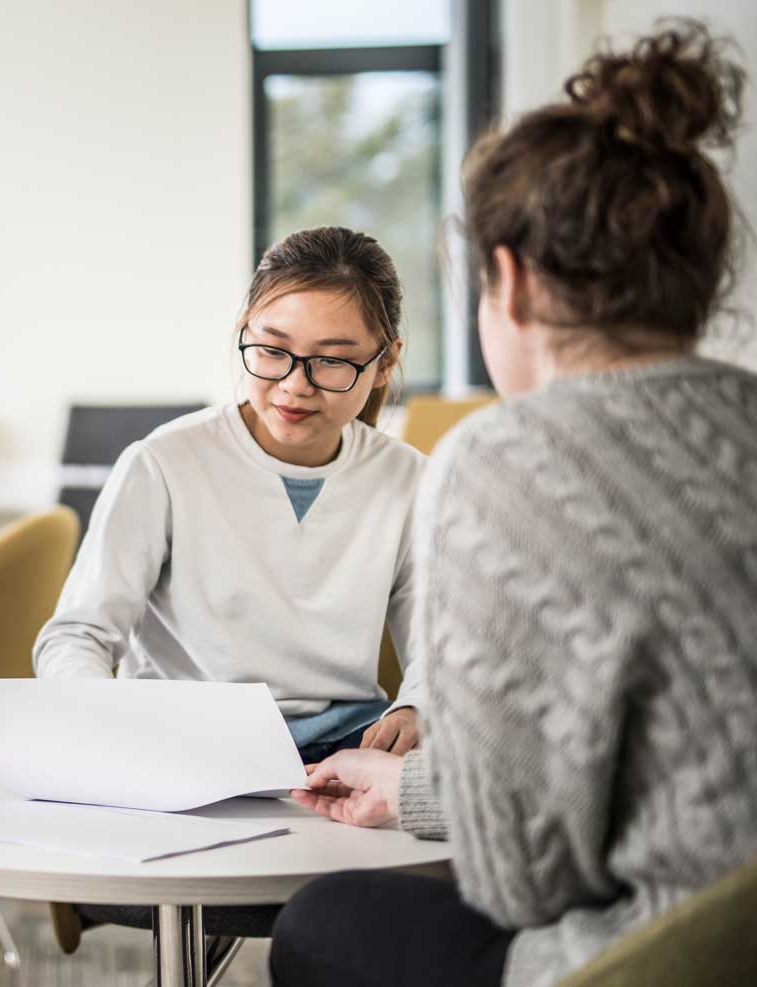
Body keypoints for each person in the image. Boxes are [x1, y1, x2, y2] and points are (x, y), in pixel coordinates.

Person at [272, 22, 757, 987]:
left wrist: (450, 800)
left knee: (324, 921)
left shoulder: (502, 459)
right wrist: (415, 787)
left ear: (513, 280)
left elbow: (522, 876)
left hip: (656, 954)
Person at [34, 225, 428, 764]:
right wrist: (104, 720)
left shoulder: (411, 480)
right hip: (185, 747)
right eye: (271, 350)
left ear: (385, 362)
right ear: (245, 332)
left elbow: (440, 649)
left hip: (344, 752)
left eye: (332, 360)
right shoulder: (164, 463)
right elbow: (78, 635)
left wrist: (420, 706)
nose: (295, 385)